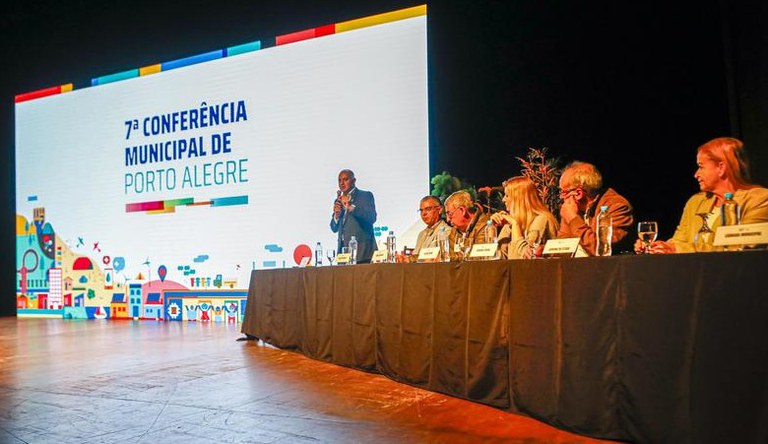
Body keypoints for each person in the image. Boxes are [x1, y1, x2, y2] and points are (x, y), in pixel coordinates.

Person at [637, 137, 768, 254]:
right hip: (693, 275)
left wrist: (678, 249)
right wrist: (659, 246)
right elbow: (678, 241)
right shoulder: (696, 202)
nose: (696, 174)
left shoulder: (759, 199)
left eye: (701, 167)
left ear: (721, 168)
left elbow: (740, 247)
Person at [557, 161, 634, 255]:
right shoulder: (572, 208)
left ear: (578, 193)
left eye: (563, 192)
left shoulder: (617, 206)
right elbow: (562, 247)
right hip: (578, 267)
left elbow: (600, 249)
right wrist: (546, 251)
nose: (561, 197)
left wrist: (573, 219)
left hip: (611, 268)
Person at [491, 176, 559, 259]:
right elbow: (498, 258)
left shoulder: (542, 219)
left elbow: (524, 259)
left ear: (519, 198)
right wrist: (492, 229)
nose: (503, 200)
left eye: (507, 195)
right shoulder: (511, 223)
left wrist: (515, 225)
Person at [330, 169, 377, 263]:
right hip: (343, 255)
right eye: (339, 180)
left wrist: (351, 208)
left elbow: (372, 218)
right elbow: (334, 228)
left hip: (362, 254)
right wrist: (336, 215)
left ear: (354, 181)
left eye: (345, 179)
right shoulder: (339, 200)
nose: (341, 183)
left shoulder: (365, 196)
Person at [444, 190, 491, 259]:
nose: (448, 219)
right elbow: (449, 257)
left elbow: (479, 257)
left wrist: (455, 257)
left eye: (450, 214)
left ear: (462, 210)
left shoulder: (486, 225)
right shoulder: (455, 231)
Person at [411, 195, 453, 261]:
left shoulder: (447, 231)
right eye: (421, 210)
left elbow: (441, 258)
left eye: (428, 209)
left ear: (439, 210)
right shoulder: (421, 234)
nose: (424, 213)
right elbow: (415, 257)